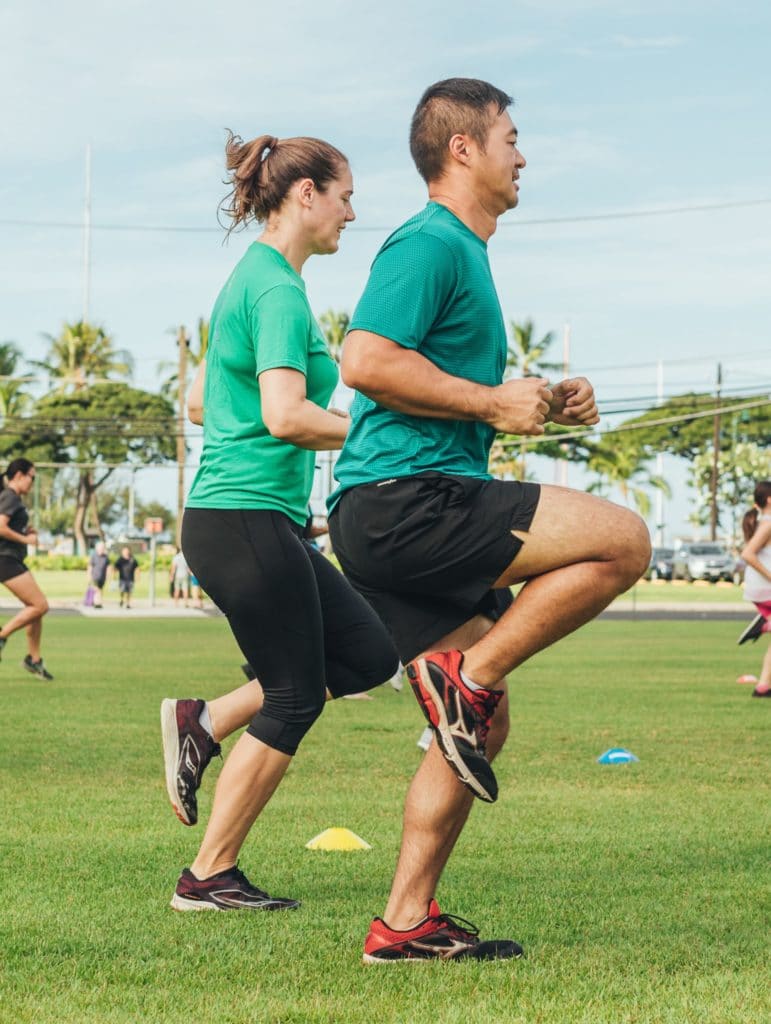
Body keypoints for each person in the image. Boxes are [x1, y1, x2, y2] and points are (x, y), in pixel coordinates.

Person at [327, 78, 651, 963]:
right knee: (623, 540)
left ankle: (402, 922)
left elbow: (450, 395)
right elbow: (362, 360)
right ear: (462, 147)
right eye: (510, 135)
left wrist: (540, 401)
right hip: (403, 502)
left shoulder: (466, 253)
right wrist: (486, 400)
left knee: (485, 723)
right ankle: (464, 676)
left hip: (388, 511)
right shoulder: (430, 242)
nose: (522, 152)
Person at [160, 129, 398, 912]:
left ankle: (210, 717)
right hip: (240, 518)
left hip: (255, 518)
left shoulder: (268, 285)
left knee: (364, 658)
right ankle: (208, 876)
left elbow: (201, 400)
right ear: (306, 194)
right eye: (345, 194)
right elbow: (288, 415)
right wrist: (382, 445)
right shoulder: (272, 290)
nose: (352, 213)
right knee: (296, 695)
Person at [0, 458, 53, 680]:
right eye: (32, 476)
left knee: (36, 609)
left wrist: (24, 531)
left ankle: (34, 659)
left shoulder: (13, 499)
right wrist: (26, 539)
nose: (33, 481)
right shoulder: (10, 496)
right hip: (5, 559)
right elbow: (0, 527)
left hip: (12, 558)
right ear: (19, 475)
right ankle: (2, 636)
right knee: (40, 605)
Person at [736, 480, 771, 696]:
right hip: (765, 587)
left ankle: (763, 686)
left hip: (761, 587)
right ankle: (765, 625)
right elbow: (748, 554)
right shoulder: (767, 523)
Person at [88, 540, 109, 609]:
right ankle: (96, 602)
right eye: (100, 548)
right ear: (97, 548)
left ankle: (98, 602)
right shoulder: (94, 556)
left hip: (102, 577)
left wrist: (108, 576)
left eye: (102, 548)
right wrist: (89, 576)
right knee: (96, 589)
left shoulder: (106, 557)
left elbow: (108, 567)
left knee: (100, 589)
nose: (101, 549)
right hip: (95, 576)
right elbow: (90, 566)